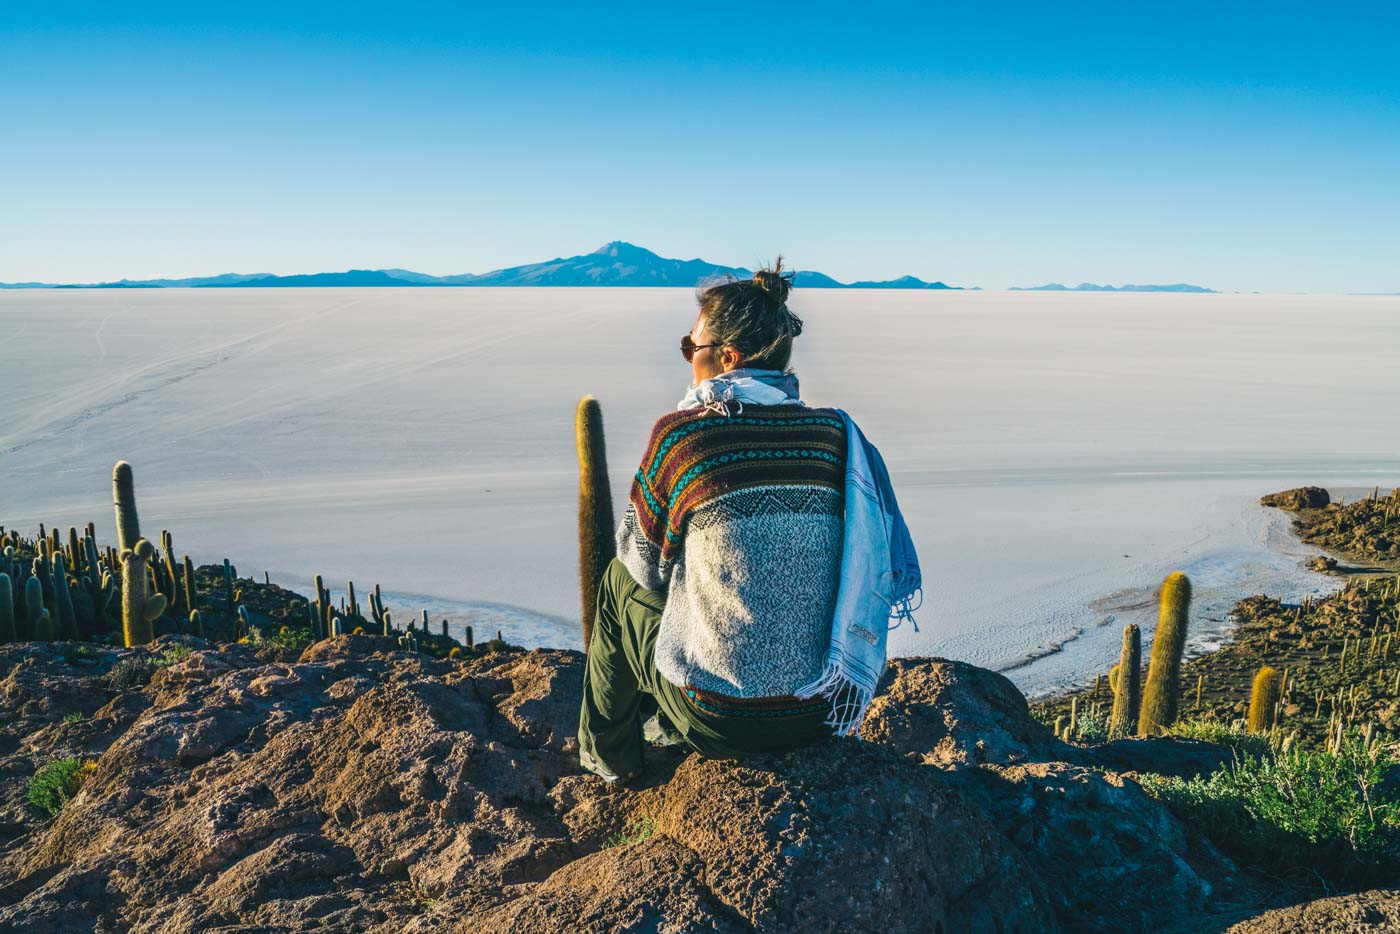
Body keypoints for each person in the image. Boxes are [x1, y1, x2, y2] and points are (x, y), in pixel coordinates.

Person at [578, 257, 921, 784]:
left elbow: (641, 567)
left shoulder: (683, 437)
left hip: (718, 719)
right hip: (823, 711)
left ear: (728, 358)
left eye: (691, 348)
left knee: (616, 585)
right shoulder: (834, 437)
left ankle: (610, 762)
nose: (688, 357)